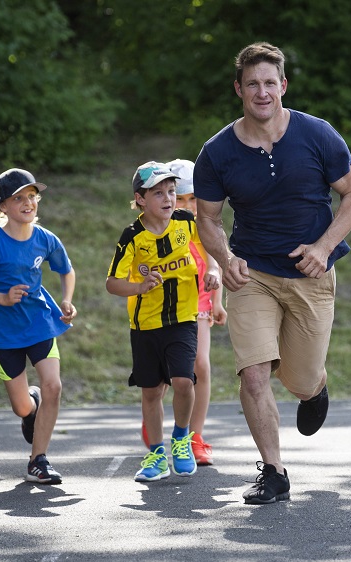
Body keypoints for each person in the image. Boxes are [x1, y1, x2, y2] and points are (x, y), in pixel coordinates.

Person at [194, 42, 351, 504]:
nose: (262, 92)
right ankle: (273, 472)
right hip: (252, 274)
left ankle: (315, 390)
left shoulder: (317, 134)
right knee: (253, 374)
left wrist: (324, 247)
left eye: (269, 82)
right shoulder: (217, 152)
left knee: (299, 379)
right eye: (252, 83)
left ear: (283, 86)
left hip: (311, 274)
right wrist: (225, 257)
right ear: (238, 89)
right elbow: (207, 218)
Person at [107, 161, 219, 482]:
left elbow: (210, 240)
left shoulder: (185, 221)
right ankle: (156, 455)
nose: (169, 198)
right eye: (159, 193)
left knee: (184, 381)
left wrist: (214, 268)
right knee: (152, 391)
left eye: (171, 191)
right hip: (145, 324)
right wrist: (139, 287)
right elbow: (112, 283)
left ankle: (182, 438)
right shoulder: (132, 237)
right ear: (140, 199)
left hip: (183, 318)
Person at [0, 168, 77, 485]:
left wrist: (66, 300)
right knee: (21, 407)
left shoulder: (45, 239)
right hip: (1, 332)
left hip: (39, 322)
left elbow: (66, 271)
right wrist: (1, 298)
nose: (28, 203)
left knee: (53, 385)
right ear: (3, 206)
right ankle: (31, 407)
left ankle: (38, 460)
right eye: (19, 198)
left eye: (32, 196)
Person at [168, 158, 226, 465]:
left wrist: (218, 302)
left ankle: (195, 436)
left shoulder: (205, 225)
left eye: (193, 198)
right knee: (165, 375)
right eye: (180, 198)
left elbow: (217, 261)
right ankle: (156, 429)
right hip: (165, 307)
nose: (187, 205)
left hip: (200, 304)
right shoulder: (161, 228)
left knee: (201, 366)